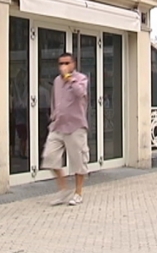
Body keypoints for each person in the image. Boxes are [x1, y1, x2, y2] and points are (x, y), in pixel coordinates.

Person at [41, 52, 90, 206]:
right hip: (58, 126)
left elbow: (80, 93)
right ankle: (63, 190)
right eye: (61, 63)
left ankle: (78, 193)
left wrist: (69, 78)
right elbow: (55, 100)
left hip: (75, 126)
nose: (63, 66)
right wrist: (54, 114)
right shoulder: (56, 81)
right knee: (50, 157)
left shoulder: (81, 79)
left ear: (73, 64)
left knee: (78, 162)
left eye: (67, 63)